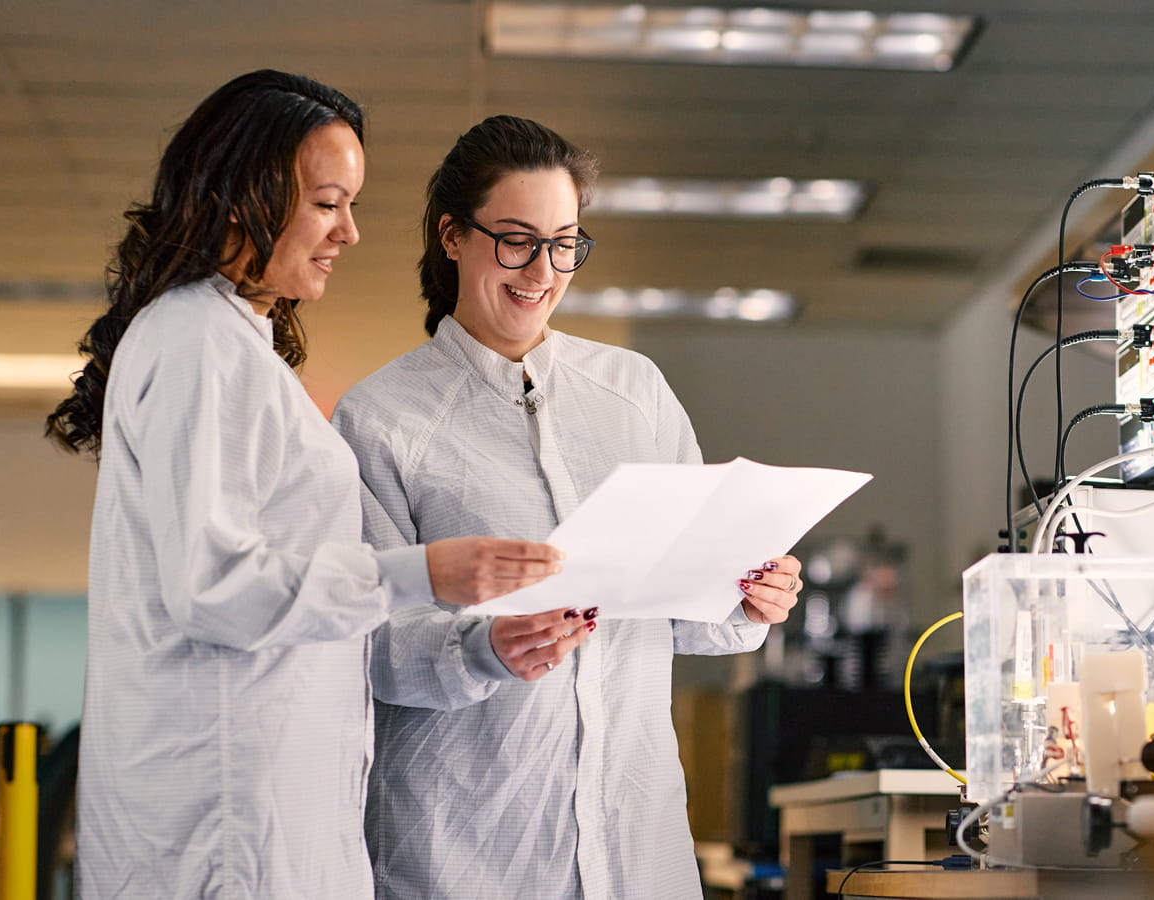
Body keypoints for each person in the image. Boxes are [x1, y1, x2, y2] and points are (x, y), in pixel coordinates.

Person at [45, 72, 571, 899]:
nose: (350, 232)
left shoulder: (231, 343)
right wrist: (421, 573)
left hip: (258, 820)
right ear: (245, 195)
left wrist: (464, 637)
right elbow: (215, 586)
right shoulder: (195, 343)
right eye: (329, 203)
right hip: (222, 835)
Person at [331, 115, 803, 899]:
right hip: (466, 854)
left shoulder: (634, 394)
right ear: (452, 236)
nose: (541, 271)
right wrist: (485, 650)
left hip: (633, 848)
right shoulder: (381, 419)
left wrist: (749, 595)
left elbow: (686, 611)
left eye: (563, 243)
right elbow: (367, 647)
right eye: (515, 240)